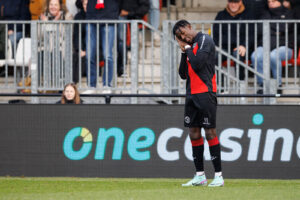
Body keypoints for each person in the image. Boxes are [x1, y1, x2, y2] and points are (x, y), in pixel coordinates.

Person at [173, 20, 224, 187]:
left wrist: (187, 49)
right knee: (194, 133)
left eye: (183, 32)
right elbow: (182, 74)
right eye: (180, 36)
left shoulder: (204, 40)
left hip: (205, 93)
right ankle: (200, 176)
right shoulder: (188, 49)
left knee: (210, 132)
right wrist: (182, 52)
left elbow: (198, 63)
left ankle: (218, 176)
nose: (183, 36)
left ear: (189, 27)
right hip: (191, 94)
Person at [250, 0, 294, 94]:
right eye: (269, 2)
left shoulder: (289, 13)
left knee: (274, 55)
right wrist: (276, 31)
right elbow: (260, 28)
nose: (270, 3)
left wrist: (269, 27)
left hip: (285, 47)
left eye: (273, 1)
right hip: (265, 45)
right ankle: (263, 85)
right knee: (256, 56)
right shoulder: (264, 13)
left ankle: (278, 85)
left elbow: (284, 28)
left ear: (280, 2)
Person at [84, 0, 119, 94]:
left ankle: (107, 85)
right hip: (91, 18)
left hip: (109, 18)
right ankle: (91, 85)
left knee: (107, 55)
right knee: (89, 55)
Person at [213, 0, 254, 81]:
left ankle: (240, 87)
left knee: (238, 55)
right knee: (214, 56)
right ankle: (221, 87)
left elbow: (252, 33)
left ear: (240, 2)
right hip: (224, 48)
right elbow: (215, 33)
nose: (233, 5)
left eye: (236, 2)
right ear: (228, 2)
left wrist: (244, 45)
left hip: (241, 48)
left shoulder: (248, 15)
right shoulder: (221, 15)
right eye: (231, 2)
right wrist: (217, 46)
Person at [117, 0, 150, 77]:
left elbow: (145, 7)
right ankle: (122, 68)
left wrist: (129, 13)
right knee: (121, 41)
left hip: (134, 20)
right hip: (119, 17)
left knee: (132, 45)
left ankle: (130, 70)